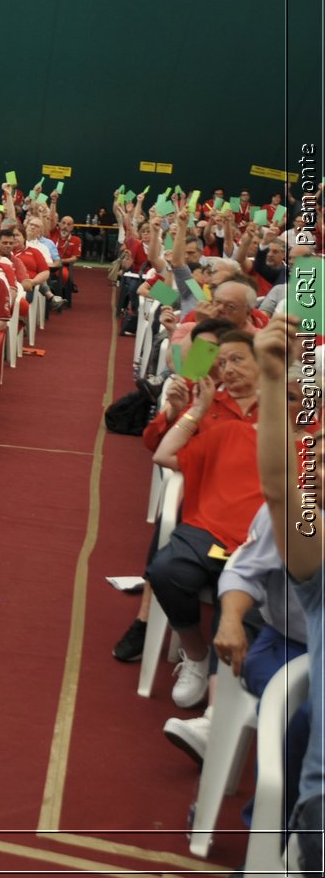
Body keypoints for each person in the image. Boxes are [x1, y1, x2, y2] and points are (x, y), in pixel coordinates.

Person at [146, 330, 266, 709]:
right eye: (223, 361)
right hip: (208, 515)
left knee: (246, 592)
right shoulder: (211, 405)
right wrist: (179, 411)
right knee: (165, 570)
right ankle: (196, 655)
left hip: (264, 528)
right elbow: (158, 448)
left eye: (237, 360)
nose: (227, 369)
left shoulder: (290, 409)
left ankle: (219, 704)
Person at [254, 315, 323, 874]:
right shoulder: (320, 561)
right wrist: (273, 380)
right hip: (269, 613)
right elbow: (280, 491)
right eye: (315, 457)